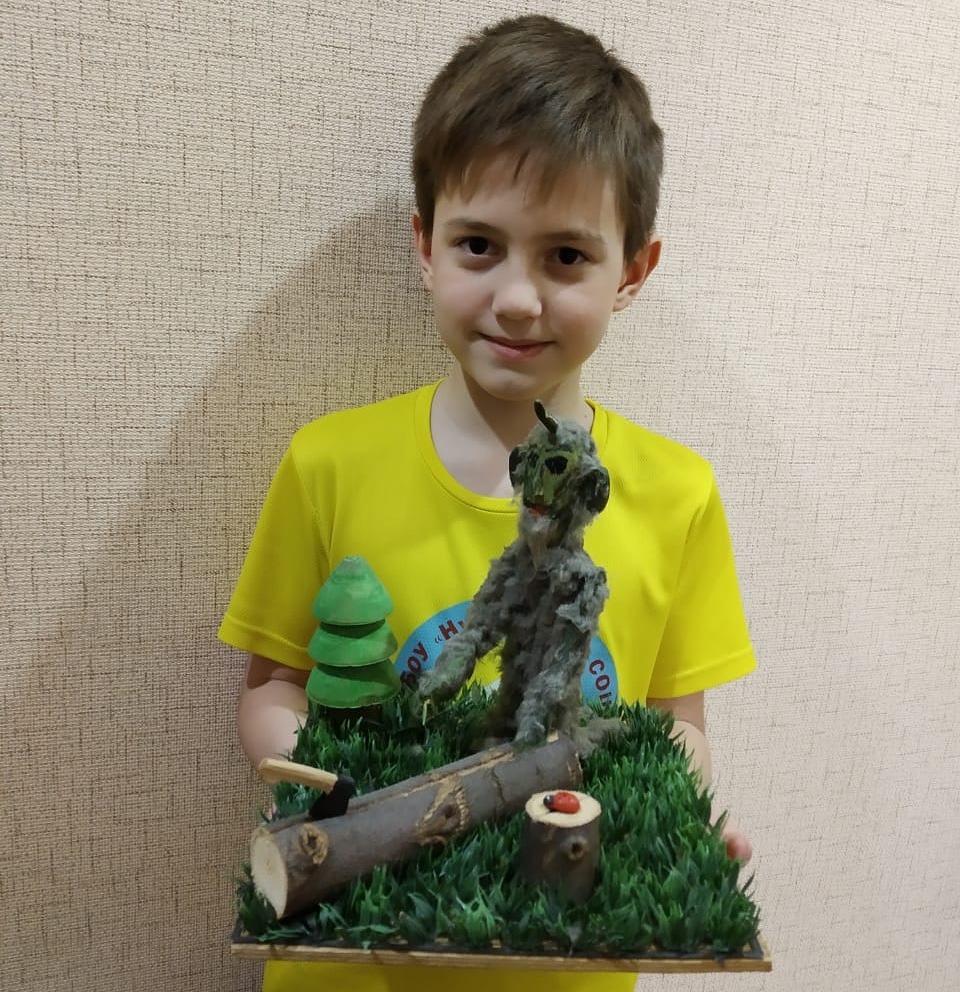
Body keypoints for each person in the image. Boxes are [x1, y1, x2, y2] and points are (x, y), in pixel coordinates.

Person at [219, 14, 756, 992]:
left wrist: (670, 819)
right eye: (479, 244)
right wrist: (346, 792)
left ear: (633, 271)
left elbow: (678, 722)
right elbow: (271, 688)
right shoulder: (327, 463)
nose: (517, 298)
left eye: (566, 256)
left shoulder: (680, 493)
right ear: (425, 244)